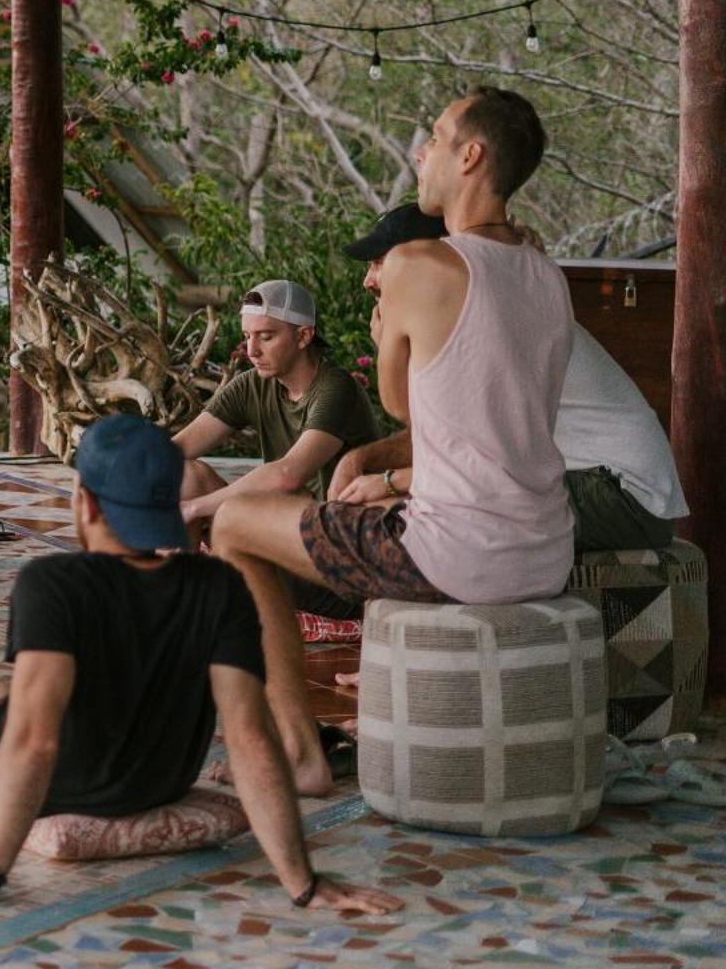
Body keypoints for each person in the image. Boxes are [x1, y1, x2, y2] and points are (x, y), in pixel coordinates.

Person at [0, 414, 401, 918]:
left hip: (60, 785)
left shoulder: (52, 583)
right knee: (42, 699)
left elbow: (34, 739)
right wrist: (303, 883)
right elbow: (250, 737)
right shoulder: (218, 585)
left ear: (84, 504)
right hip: (157, 782)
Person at [212, 87, 575, 794]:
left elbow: (401, 407)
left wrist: (385, 339)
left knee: (230, 524)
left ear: (471, 156)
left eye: (436, 136)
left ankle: (298, 752)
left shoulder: (415, 263)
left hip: (460, 554)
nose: (421, 151)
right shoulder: (545, 270)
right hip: (546, 546)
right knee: (354, 509)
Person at [332, 203, 686, 553]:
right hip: (593, 486)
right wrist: (358, 461)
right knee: (380, 515)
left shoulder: (487, 320)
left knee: (402, 519)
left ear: (426, 263)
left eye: (379, 263)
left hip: (623, 496)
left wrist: (390, 482)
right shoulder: (465, 317)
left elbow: (469, 457)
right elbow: (442, 440)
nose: (368, 280)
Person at [173, 280, 379, 535]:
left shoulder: (337, 388)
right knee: (187, 474)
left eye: (265, 337)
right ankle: (179, 574)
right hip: (282, 522)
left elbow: (288, 474)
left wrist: (194, 508)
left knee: (293, 493)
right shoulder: (252, 385)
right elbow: (175, 450)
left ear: (303, 336)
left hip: (337, 536)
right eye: (247, 336)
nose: (251, 351)